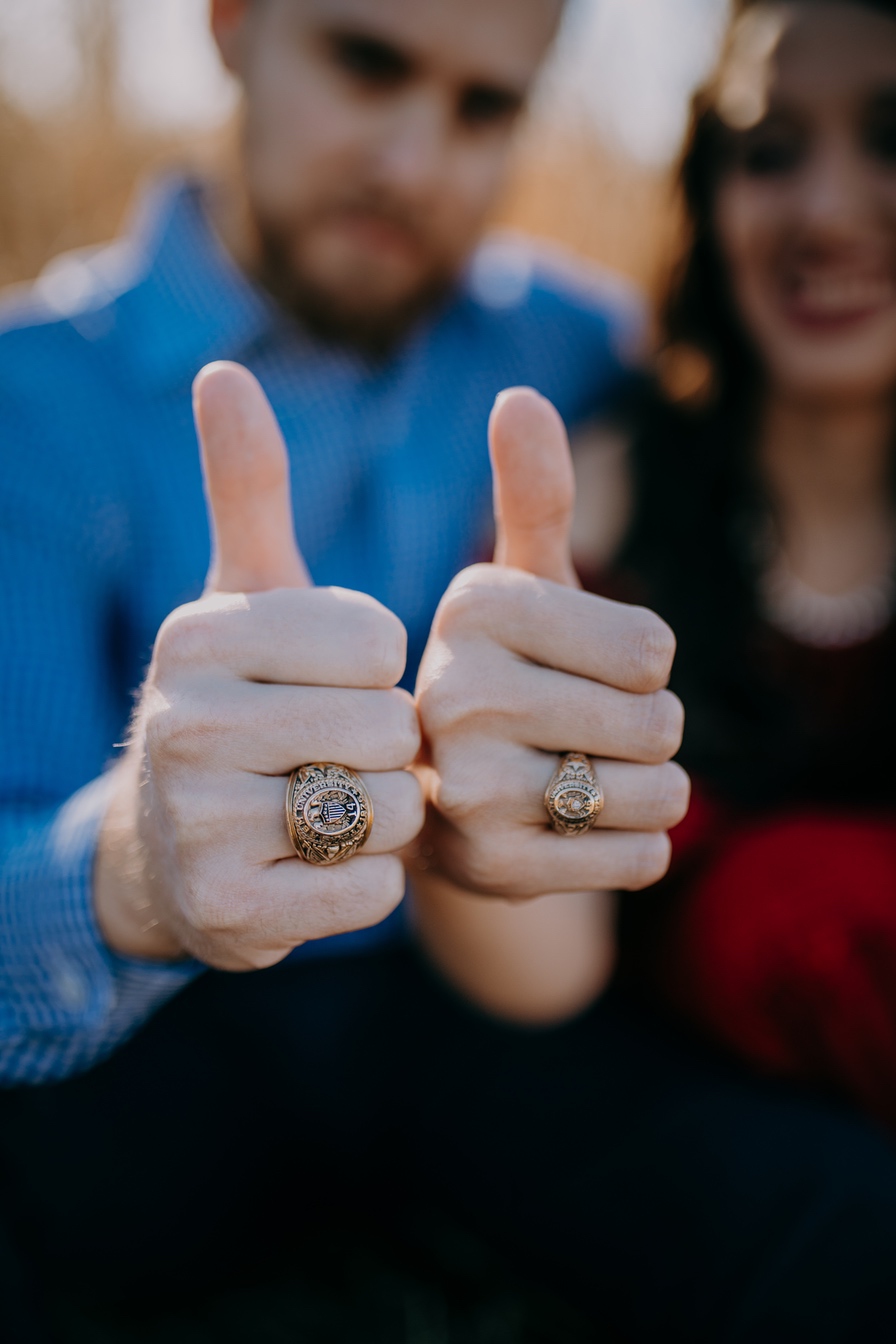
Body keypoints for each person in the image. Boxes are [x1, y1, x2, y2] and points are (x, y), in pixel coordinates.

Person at [3, 2, 896, 1340]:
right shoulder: (30, 400)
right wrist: (135, 859)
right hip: (146, 1042)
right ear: (234, 24)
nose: (416, 162)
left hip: (480, 1025)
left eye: (486, 109)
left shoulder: (571, 348)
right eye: (368, 64)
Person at [572, 0, 896, 1132]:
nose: (823, 208)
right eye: (767, 153)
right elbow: (537, 955)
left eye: (889, 138)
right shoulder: (606, 497)